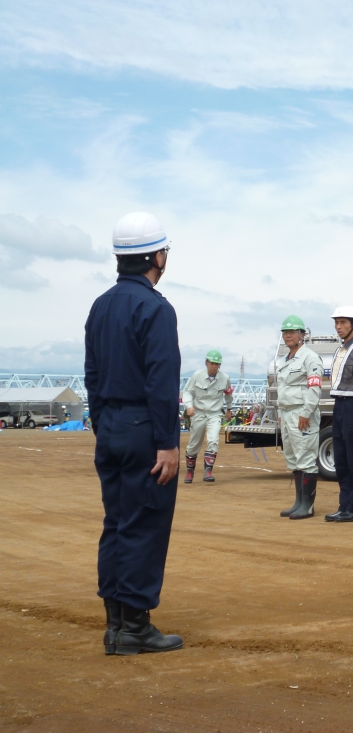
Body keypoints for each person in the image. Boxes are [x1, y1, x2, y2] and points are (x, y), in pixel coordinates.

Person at [84, 211, 183, 655]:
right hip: (146, 429)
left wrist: (104, 425)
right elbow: (161, 381)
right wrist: (167, 442)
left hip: (111, 426)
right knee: (145, 524)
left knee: (117, 523)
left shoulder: (101, 306)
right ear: (156, 256)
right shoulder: (156, 308)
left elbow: (91, 373)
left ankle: (115, 624)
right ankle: (136, 627)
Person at [324, 306, 353, 523]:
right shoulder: (339, 349)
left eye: (343, 322)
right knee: (341, 459)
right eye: (337, 323)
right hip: (339, 404)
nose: (338, 327)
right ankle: (344, 505)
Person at [275, 316, 325, 520]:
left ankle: (308, 505)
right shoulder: (285, 360)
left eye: (292, 332)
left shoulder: (310, 358)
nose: (288, 335)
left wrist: (306, 412)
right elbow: (283, 388)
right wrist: (280, 414)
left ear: (302, 335)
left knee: (306, 458)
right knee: (294, 459)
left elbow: (314, 387)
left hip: (302, 413)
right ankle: (298, 502)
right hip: (287, 413)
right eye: (285, 332)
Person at [182, 350, 233, 483]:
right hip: (198, 413)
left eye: (217, 364)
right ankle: (189, 471)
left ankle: (208, 470)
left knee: (213, 440)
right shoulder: (197, 376)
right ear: (206, 363)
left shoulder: (225, 378)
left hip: (214, 414)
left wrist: (229, 409)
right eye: (212, 363)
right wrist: (189, 406)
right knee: (194, 444)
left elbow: (228, 394)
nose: (214, 366)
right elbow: (187, 392)